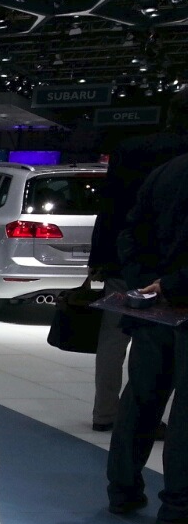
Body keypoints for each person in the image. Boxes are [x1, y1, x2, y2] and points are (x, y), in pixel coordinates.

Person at [87, 91, 188, 432]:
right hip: (175, 273)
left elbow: (111, 207)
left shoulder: (132, 148)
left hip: (126, 263)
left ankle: (106, 412)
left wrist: (99, 257)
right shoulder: (180, 158)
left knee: (113, 340)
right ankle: (160, 421)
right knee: (170, 352)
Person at [106, 150, 188, 524]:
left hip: (155, 309)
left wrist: (144, 284)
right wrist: (170, 285)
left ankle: (122, 490)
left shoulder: (163, 171)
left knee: (139, 400)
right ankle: (179, 505)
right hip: (180, 302)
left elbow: (129, 233)